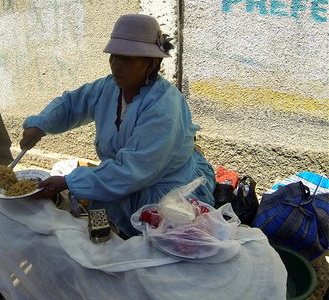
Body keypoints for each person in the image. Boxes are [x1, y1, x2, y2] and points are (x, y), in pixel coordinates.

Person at [19, 14, 216, 238]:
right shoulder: (109, 88)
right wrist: (41, 124)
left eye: (127, 58)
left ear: (150, 64)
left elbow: (133, 169)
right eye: (113, 56)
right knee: (103, 235)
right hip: (123, 180)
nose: (116, 65)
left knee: (148, 250)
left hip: (165, 192)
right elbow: (72, 104)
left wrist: (68, 181)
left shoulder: (165, 107)